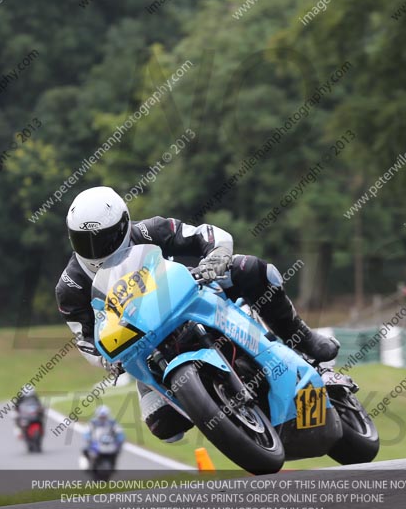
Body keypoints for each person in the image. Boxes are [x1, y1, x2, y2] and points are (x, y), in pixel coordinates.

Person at [55, 186, 340, 443]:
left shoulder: (151, 230)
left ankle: (302, 339)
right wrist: (106, 360)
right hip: (143, 344)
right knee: (163, 426)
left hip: (193, 292)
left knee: (253, 270)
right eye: (84, 241)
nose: (95, 249)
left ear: (124, 225)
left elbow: (206, 234)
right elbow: (85, 339)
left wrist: (216, 256)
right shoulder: (71, 286)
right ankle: (223, 410)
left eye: (103, 239)